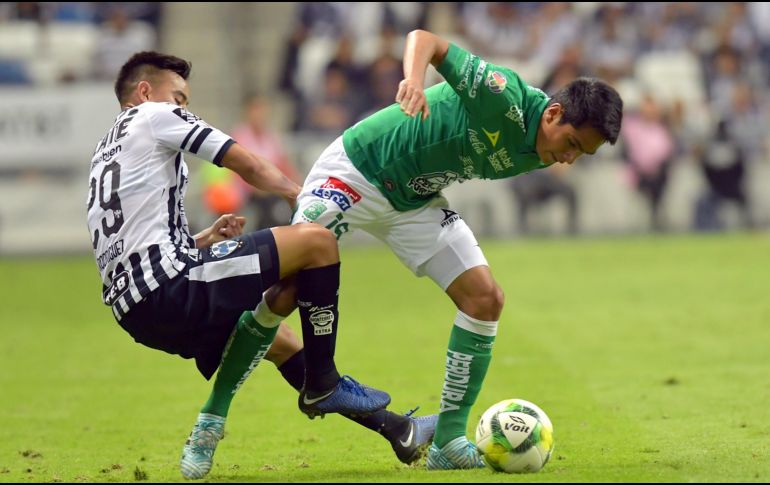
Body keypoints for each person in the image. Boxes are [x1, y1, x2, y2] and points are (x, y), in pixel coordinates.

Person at [261, 29, 623, 470]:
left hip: (414, 200)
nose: (569, 159)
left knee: (485, 299)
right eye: (571, 145)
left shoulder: (547, 149)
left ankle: (449, 442)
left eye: (581, 155)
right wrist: (413, 80)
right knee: (283, 293)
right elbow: (425, 38)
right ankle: (211, 418)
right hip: (359, 170)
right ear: (553, 114)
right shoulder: (503, 96)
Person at [85, 52, 399, 480]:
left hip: (138, 310)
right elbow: (241, 161)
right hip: (174, 286)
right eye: (178, 97)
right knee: (318, 244)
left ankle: (399, 430)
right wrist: (298, 194)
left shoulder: (104, 152)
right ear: (144, 92)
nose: (183, 109)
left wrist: (201, 241)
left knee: (279, 335)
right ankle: (324, 381)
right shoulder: (154, 117)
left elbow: (129, 244)